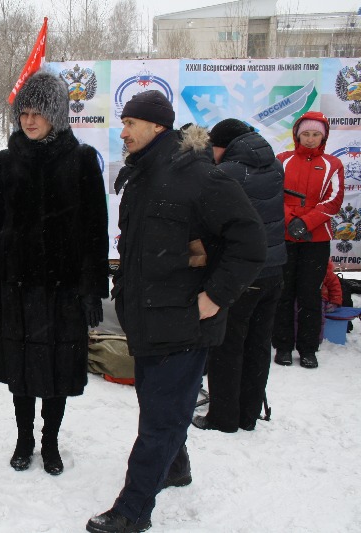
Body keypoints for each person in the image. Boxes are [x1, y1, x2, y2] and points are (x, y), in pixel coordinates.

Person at [86, 91, 266, 533]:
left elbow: (251, 243)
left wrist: (216, 297)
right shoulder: (143, 175)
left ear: (157, 127)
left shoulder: (199, 177)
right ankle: (176, 466)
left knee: (160, 418)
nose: (123, 132)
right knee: (158, 407)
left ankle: (132, 511)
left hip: (185, 322)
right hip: (147, 319)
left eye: (130, 123)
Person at [0, 71, 109, 475]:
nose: (29, 121)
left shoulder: (82, 161)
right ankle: (23, 438)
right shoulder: (4, 163)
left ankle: (50, 442)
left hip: (63, 291)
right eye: (24, 113)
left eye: (38, 112)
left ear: (57, 115)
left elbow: (94, 231)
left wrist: (91, 289)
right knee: (20, 373)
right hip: (17, 289)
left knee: (57, 372)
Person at [191, 119, 286, 434]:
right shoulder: (274, 165)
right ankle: (248, 413)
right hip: (274, 269)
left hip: (243, 272)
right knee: (259, 346)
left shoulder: (229, 173)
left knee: (228, 345)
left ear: (223, 145)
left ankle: (224, 417)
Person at [272, 111, 344, 369]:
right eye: (306, 134)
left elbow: (333, 201)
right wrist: (292, 220)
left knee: (310, 294)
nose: (311, 139)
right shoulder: (282, 160)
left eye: (316, 134)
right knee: (283, 292)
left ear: (323, 136)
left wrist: (307, 221)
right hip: (285, 236)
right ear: (297, 134)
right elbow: (273, 195)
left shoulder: (333, 164)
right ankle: (282, 346)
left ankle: (308, 348)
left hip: (316, 240)